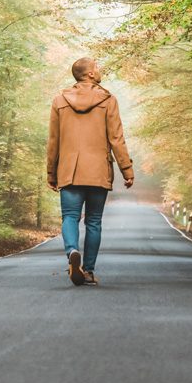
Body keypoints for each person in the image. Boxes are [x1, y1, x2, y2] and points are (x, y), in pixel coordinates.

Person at [46, 57, 135, 286]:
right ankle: (88, 271)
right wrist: (127, 169)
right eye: (97, 67)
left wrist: (51, 173)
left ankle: (72, 252)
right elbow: (116, 139)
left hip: (69, 170)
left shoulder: (60, 100)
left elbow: (54, 141)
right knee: (94, 221)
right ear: (90, 74)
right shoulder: (108, 100)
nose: (100, 70)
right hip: (98, 170)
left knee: (70, 216)